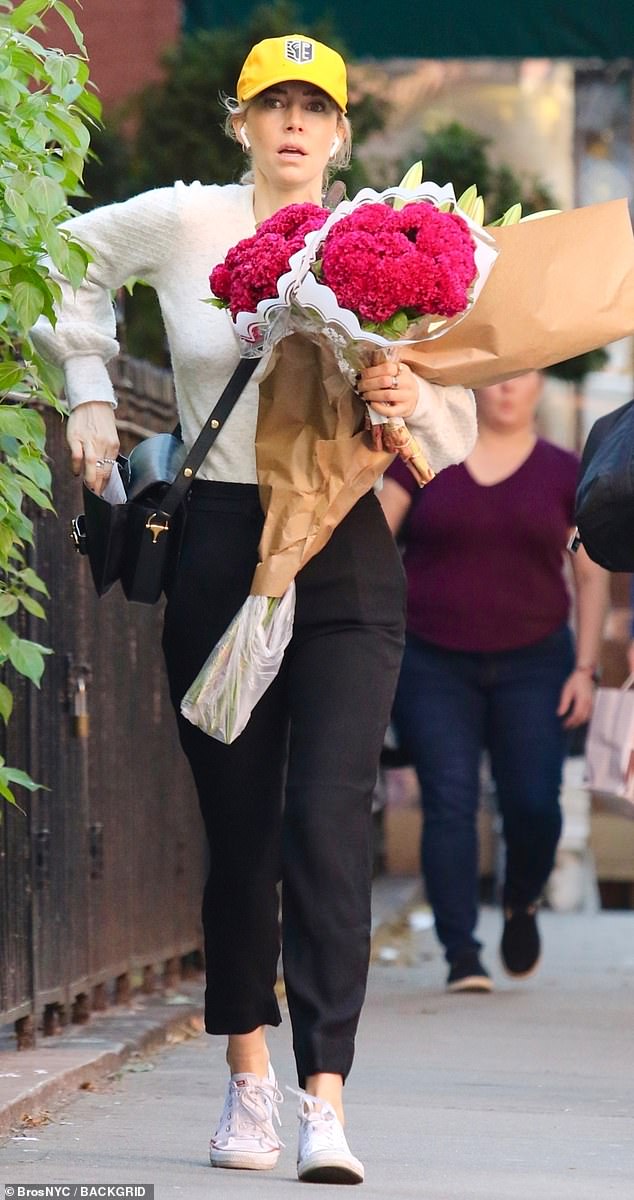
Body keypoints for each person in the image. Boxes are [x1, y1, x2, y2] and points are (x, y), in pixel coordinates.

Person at [31, 34, 477, 1185]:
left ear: (338, 132)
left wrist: (405, 392)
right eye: (270, 104)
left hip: (339, 550)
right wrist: (88, 389)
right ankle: (245, 1081)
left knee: (328, 825)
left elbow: (461, 427)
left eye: (312, 108)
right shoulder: (183, 222)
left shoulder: (394, 237)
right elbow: (55, 260)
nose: (291, 124)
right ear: (240, 121)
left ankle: (325, 1098)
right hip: (220, 546)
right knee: (241, 837)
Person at [379, 370, 609, 994]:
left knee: (533, 804)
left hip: (536, 665)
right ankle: (462, 955)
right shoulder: (427, 452)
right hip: (433, 663)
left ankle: (521, 900)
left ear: (541, 386)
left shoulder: (566, 471)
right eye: (496, 375)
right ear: (476, 383)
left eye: (523, 375)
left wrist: (586, 670)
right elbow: (373, 539)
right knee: (449, 804)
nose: (508, 387)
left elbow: (591, 577)